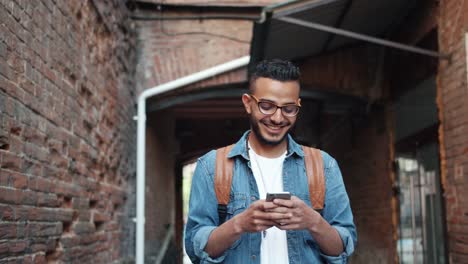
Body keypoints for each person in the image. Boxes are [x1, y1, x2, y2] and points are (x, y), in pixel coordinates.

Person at [184, 59, 357, 263]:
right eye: (266, 106)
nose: (277, 118)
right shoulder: (211, 167)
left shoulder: (324, 166)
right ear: (248, 103)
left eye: (288, 108)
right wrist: (238, 224)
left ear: (298, 107)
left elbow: (343, 250)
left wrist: (314, 222)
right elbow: (195, 249)